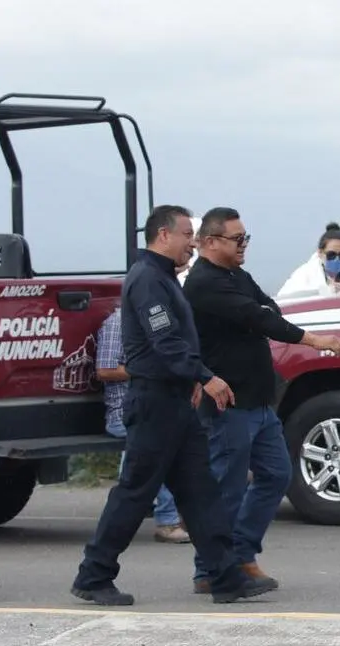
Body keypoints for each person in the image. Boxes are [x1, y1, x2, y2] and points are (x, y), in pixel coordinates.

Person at [70, 204, 275, 606]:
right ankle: (93, 575)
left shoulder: (165, 279)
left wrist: (191, 380)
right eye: (186, 235)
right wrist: (204, 376)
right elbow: (165, 343)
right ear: (164, 235)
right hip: (154, 403)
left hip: (177, 401)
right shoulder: (148, 280)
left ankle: (223, 577)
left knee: (200, 492)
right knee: (134, 492)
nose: (192, 244)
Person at [184, 207, 340, 594]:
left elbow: (266, 307)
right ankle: (211, 570)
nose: (244, 246)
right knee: (227, 487)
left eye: (246, 238)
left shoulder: (235, 276)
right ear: (208, 242)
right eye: (236, 239)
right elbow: (258, 317)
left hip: (258, 400)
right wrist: (313, 340)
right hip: (228, 405)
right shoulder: (204, 283)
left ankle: (240, 554)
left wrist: (261, 314)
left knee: (276, 474)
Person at [96, 266, 191, 545]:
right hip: (125, 409)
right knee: (157, 455)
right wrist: (147, 370)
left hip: (153, 402)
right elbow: (104, 369)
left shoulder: (153, 323)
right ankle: (168, 520)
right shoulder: (116, 324)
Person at [275, 223, 340, 300]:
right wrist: (326, 291)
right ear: (320, 253)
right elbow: (284, 298)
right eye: (331, 255)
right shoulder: (304, 274)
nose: (337, 259)